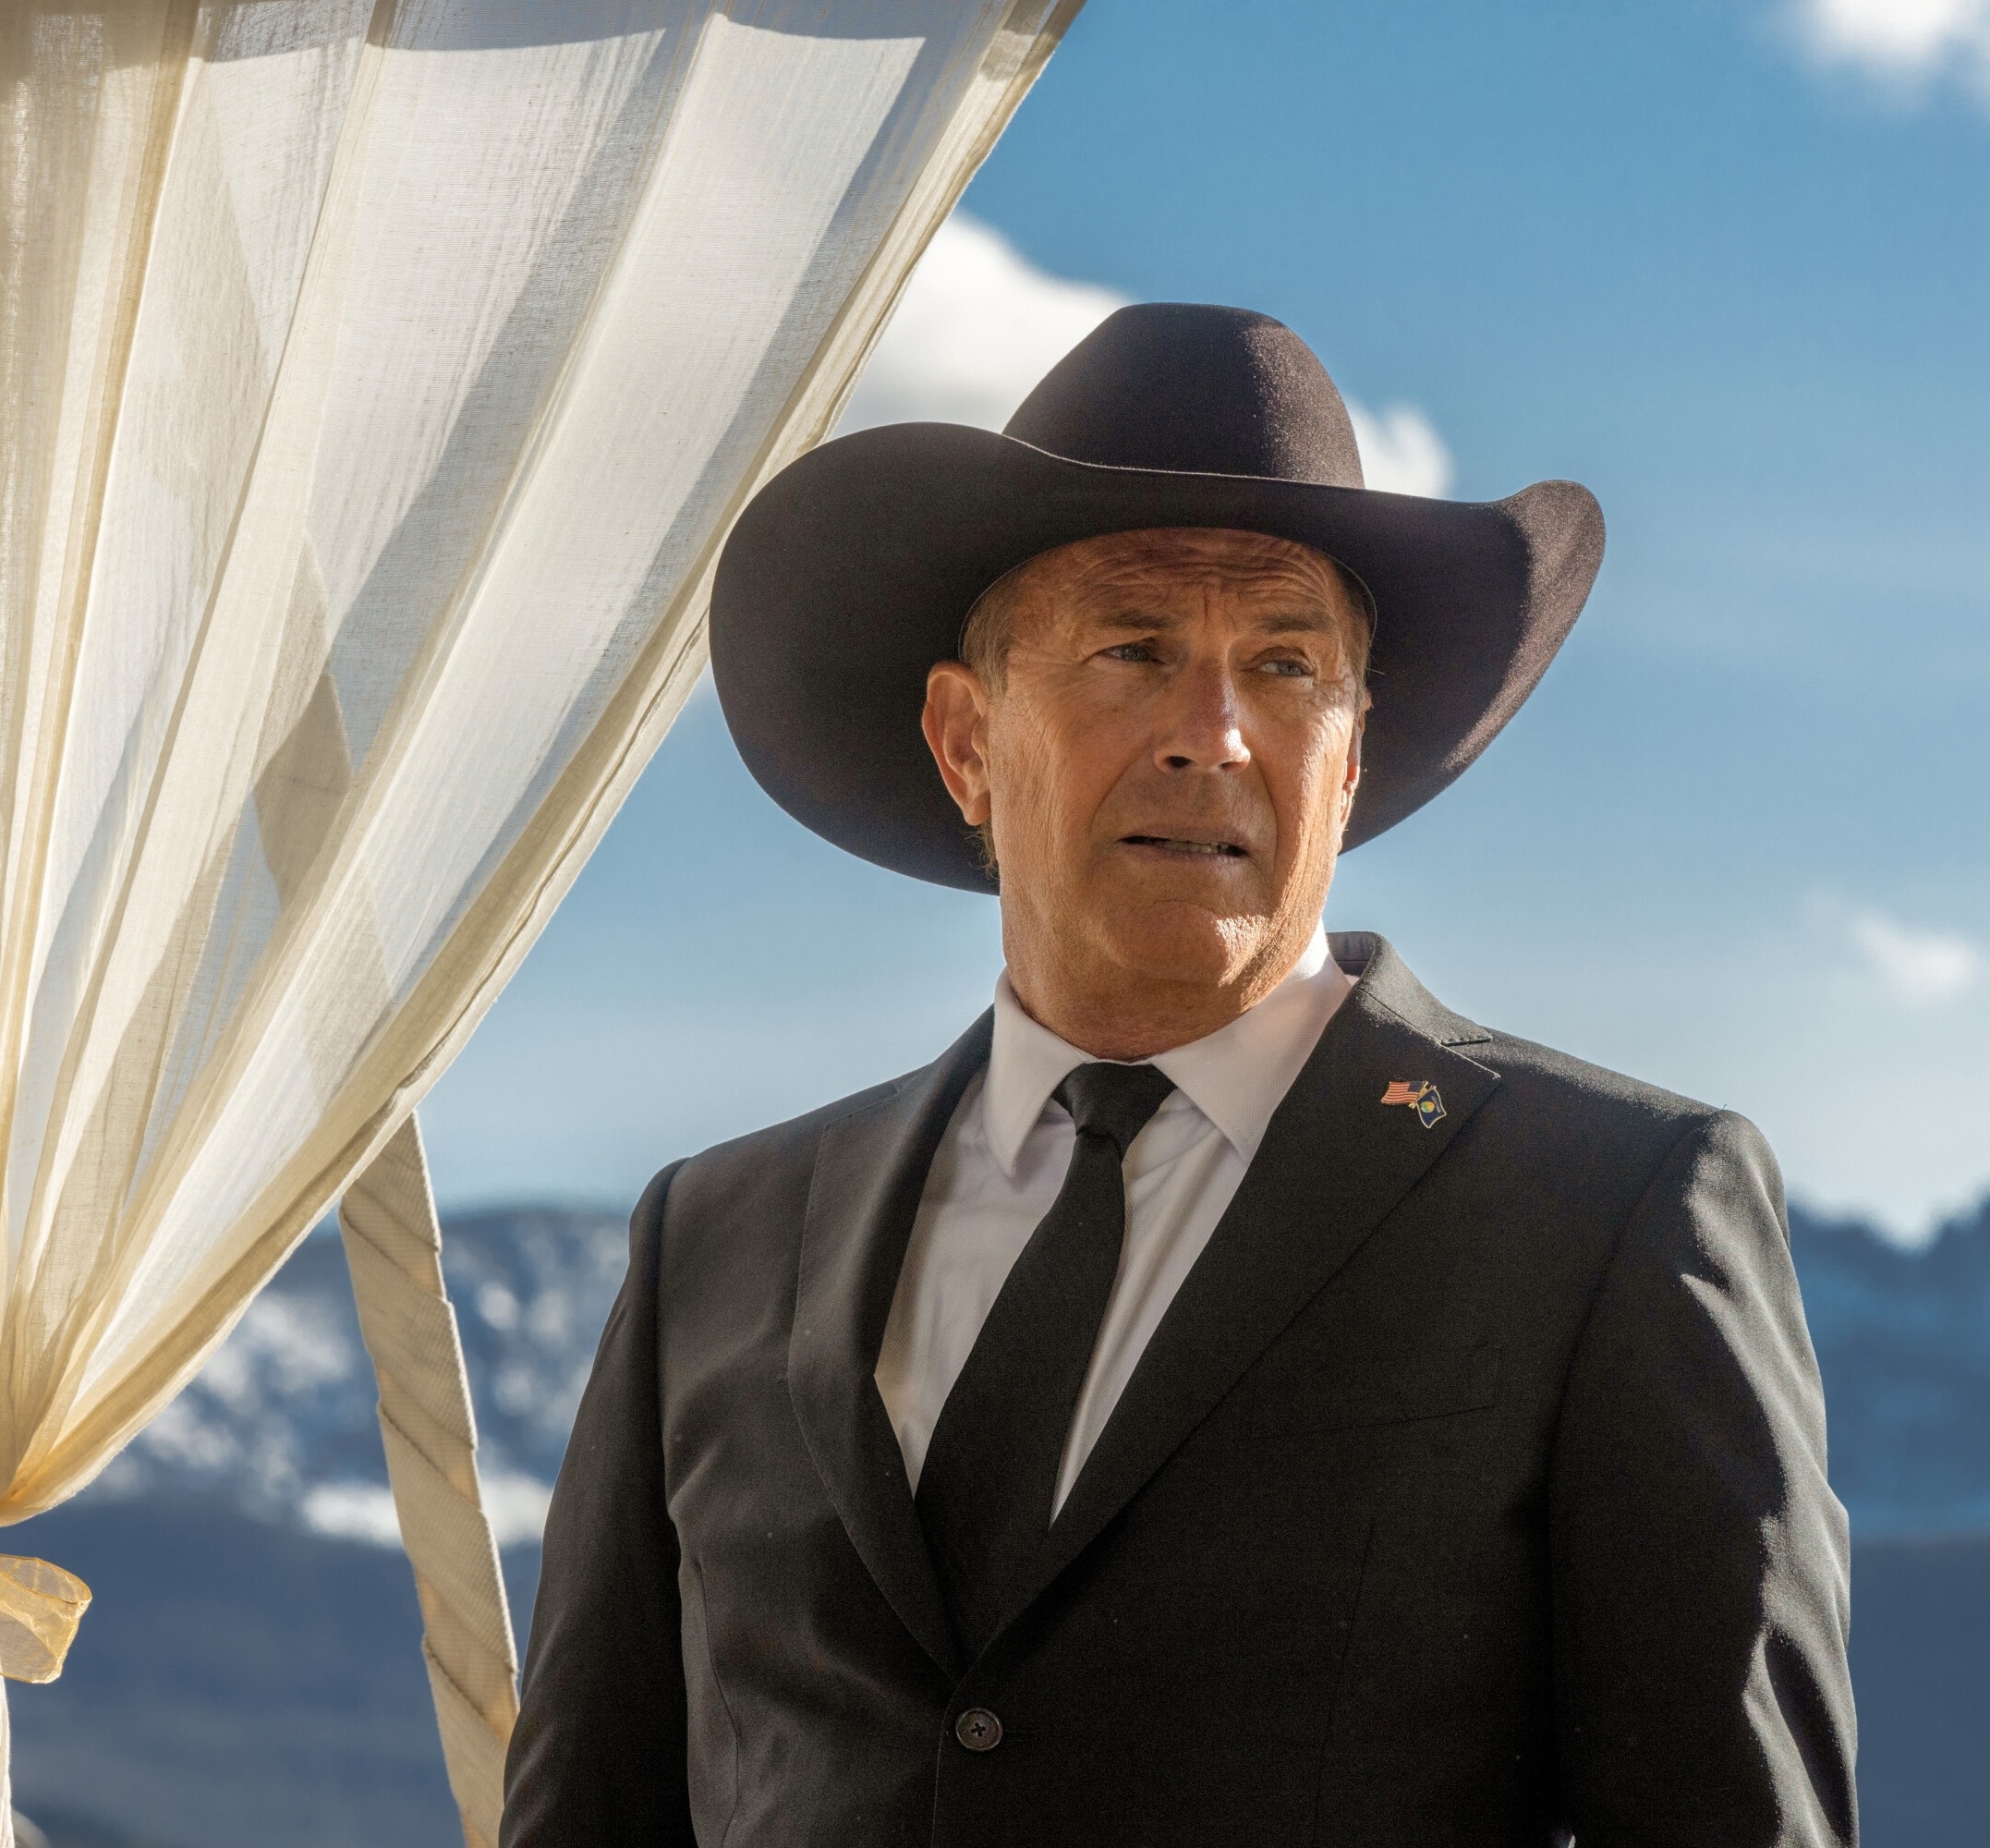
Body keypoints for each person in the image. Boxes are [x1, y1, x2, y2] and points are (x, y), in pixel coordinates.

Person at [503, 304, 1856, 1845]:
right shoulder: (715, 1241)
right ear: (965, 742)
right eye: (1133, 647)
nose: (1211, 732)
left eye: (1285, 665)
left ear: (1351, 758)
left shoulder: (1606, 1217)